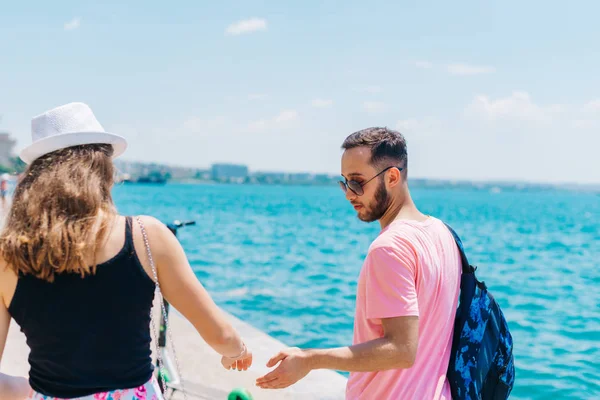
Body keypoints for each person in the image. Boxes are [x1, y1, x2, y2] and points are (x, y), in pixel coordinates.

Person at [0, 102, 252, 400]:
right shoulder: (146, 235)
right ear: (102, 167)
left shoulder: (8, 255)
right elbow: (221, 335)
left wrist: (32, 391)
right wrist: (237, 351)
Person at [256, 127, 462, 399]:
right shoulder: (442, 234)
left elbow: (402, 350)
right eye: (344, 182)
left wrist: (310, 359)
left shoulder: (389, 248)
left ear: (391, 177)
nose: (348, 194)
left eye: (356, 182)